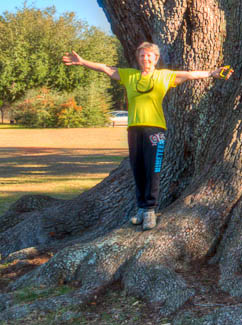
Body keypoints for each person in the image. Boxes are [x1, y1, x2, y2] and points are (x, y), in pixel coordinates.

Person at [62, 43, 228, 230]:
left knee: (152, 170)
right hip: (134, 130)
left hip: (155, 131)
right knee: (138, 170)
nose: (145, 59)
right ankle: (141, 208)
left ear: (156, 59)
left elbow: (189, 74)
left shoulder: (164, 76)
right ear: (138, 58)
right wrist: (82, 62)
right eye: (142, 56)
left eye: (149, 56)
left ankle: (150, 210)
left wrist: (212, 73)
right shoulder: (129, 76)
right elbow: (105, 68)